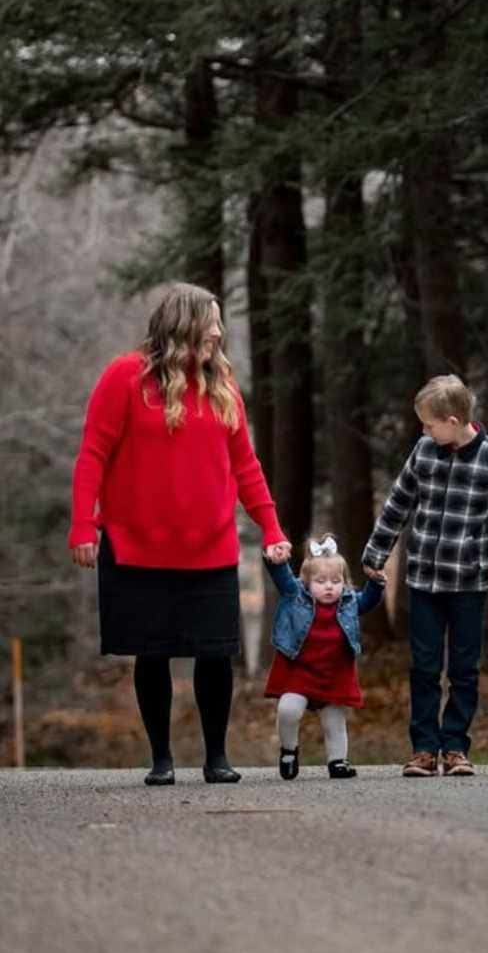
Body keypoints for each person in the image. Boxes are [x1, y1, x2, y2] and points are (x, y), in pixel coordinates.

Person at [68, 282, 291, 786]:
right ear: (180, 325)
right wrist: (83, 523)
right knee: (154, 653)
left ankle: (217, 757)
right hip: (138, 547)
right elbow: (93, 455)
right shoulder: (124, 376)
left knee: (216, 653)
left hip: (209, 547)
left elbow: (246, 465)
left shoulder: (222, 386)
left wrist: (271, 526)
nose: (217, 332)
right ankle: (162, 759)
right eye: (209, 323)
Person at [361, 374, 488, 777]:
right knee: (423, 666)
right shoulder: (424, 452)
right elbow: (397, 503)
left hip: (469, 583)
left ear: (453, 421)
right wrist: (375, 553)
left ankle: (455, 746)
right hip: (423, 580)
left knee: (463, 667)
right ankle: (424, 748)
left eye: (429, 424)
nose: (424, 431)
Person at [262, 535, 385, 780]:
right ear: (306, 583)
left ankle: (337, 761)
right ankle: (288, 751)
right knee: (288, 709)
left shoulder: (349, 602)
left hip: (334, 673)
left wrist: (376, 583)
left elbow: (369, 601)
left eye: (335, 581)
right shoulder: (294, 594)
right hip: (299, 670)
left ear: (344, 582)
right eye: (320, 581)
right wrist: (275, 561)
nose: (329, 586)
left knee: (334, 721)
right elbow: (281, 577)